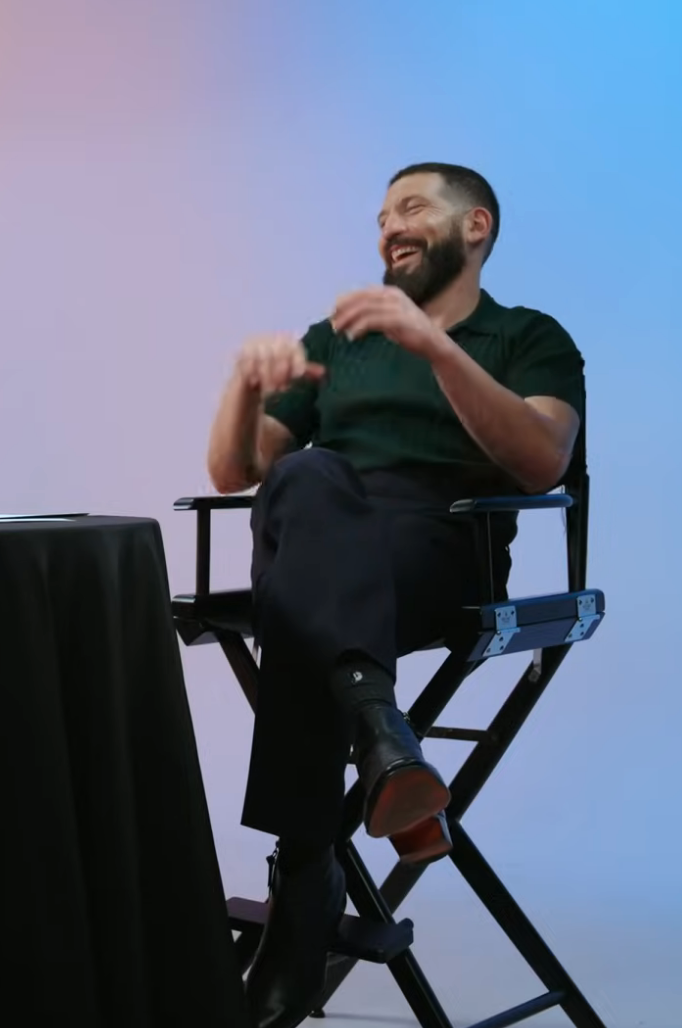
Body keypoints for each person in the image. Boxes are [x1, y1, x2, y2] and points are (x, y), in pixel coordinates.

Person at [202, 163, 585, 1028]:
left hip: (438, 545)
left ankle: (304, 881)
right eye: (380, 218)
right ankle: (384, 739)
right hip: (313, 529)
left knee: (302, 611)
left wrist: (433, 346)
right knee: (303, 475)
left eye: (411, 208)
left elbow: (542, 460)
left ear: (475, 226)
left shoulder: (529, 336)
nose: (389, 229)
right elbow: (236, 470)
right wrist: (246, 384)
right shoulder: (337, 341)